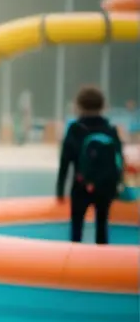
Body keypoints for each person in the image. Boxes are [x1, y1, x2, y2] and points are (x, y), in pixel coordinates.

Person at [56, 85, 124, 245]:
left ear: (78, 106)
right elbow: (119, 159)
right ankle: (102, 266)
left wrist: (60, 190)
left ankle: (74, 265)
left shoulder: (75, 129)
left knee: (76, 231)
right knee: (102, 228)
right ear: (103, 106)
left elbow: (65, 161)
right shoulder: (110, 129)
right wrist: (117, 187)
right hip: (105, 187)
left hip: (80, 186)